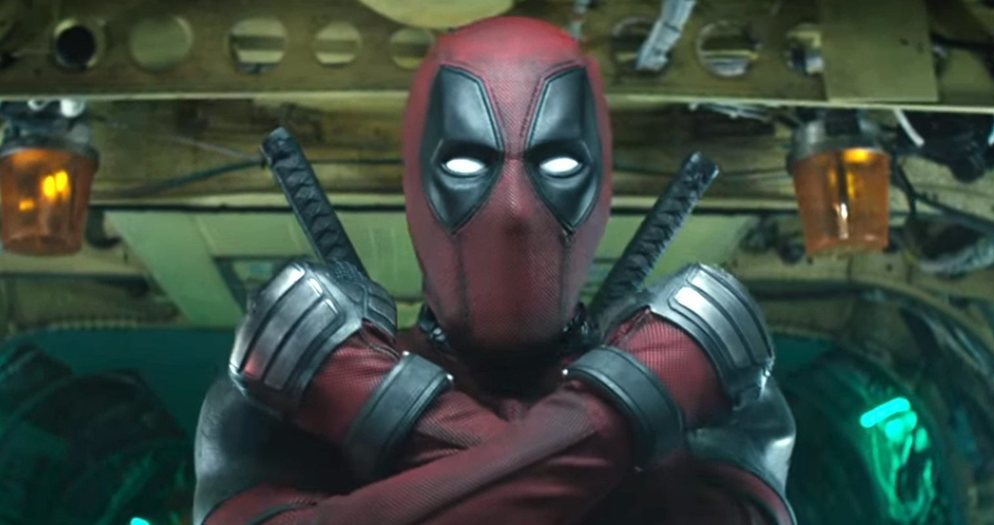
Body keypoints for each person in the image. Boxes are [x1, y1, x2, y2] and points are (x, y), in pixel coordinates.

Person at [193, 16, 796, 525]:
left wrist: (378, 399)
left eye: (558, 162)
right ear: (415, 184)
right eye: (466, 162)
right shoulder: (693, 382)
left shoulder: (305, 380)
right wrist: (631, 401)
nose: (513, 209)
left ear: (603, 186)